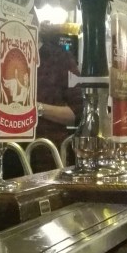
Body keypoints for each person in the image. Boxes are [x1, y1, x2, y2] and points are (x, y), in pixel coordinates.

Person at [35, 25, 84, 161]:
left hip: (48, 156)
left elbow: (77, 113)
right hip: (9, 153)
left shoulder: (60, 58)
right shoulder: (1, 55)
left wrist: (37, 108)